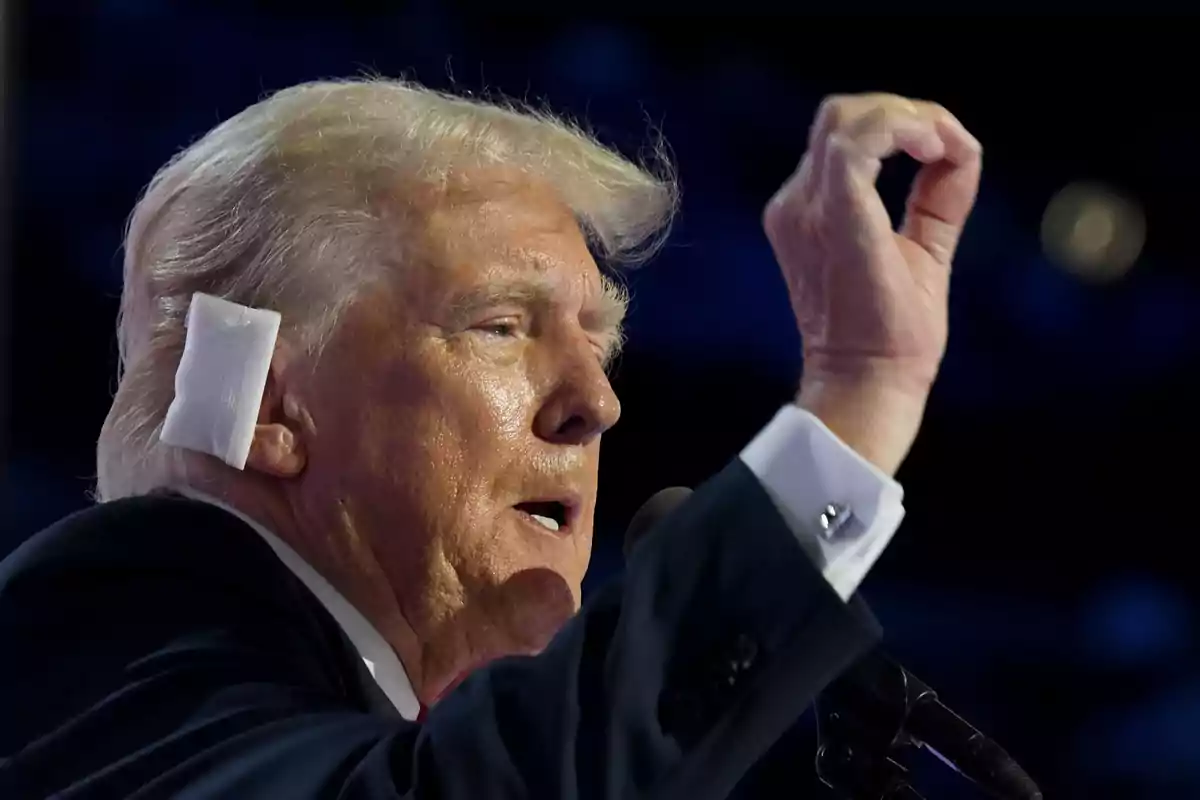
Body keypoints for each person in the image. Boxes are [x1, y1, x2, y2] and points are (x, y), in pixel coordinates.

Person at [0, 81, 981, 798]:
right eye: (502, 326)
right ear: (263, 407)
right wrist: (859, 395)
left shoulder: (322, 703)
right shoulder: (103, 623)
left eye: (599, 343)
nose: (595, 402)